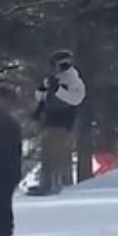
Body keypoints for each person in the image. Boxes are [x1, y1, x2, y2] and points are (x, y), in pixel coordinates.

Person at [28, 49, 86, 196]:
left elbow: (76, 99)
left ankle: (57, 183)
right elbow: (41, 97)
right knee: (47, 152)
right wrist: (42, 91)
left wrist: (58, 91)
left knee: (57, 152)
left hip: (64, 120)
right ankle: (45, 183)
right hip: (50, 119)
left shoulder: (73, 80)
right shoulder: (52, 79)